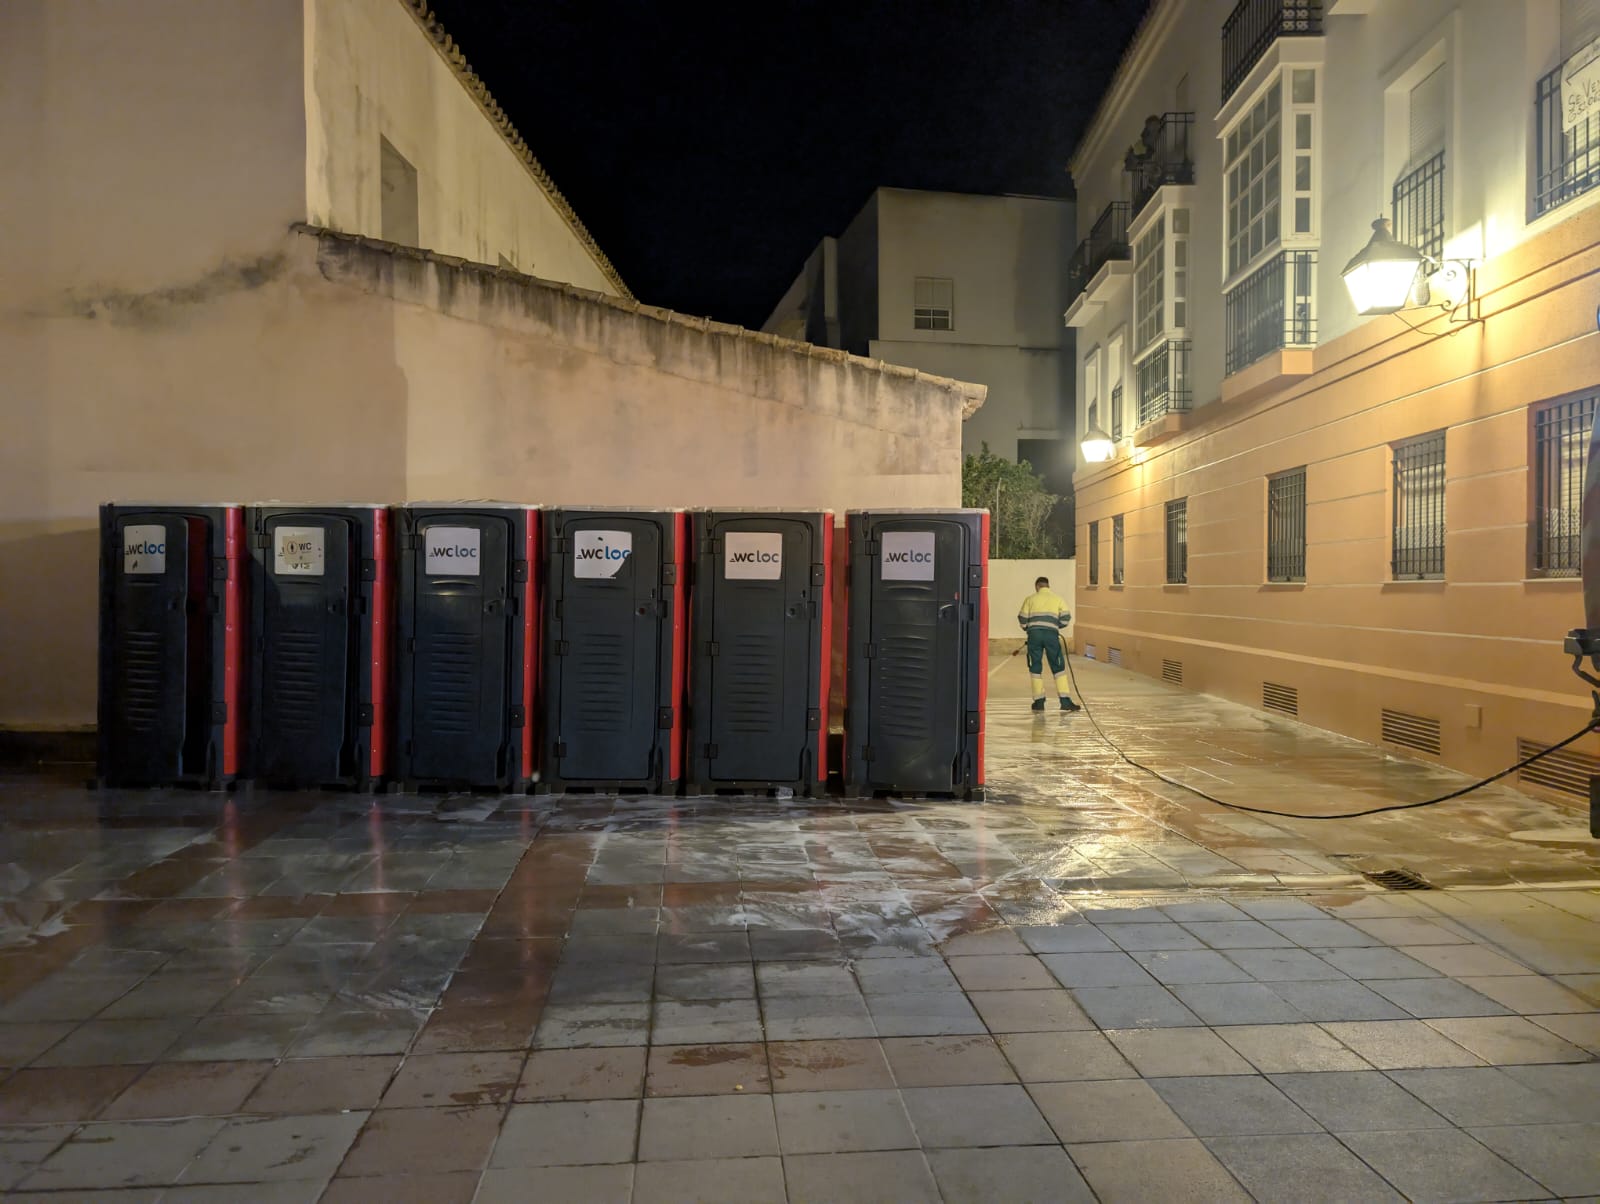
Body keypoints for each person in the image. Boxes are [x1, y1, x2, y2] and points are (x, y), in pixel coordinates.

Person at [1018, 576, 1080, 712]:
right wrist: (1054, 626)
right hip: (1051, 636)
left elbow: (1022, 618)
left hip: (1034, 636)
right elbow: (1066, 618)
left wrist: (1029, 628)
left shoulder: (1030, 599)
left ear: (1037, 587)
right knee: (1058, 667)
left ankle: (1039, 702)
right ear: (1048, 586)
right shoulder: (1057, 599)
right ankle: (1065, 701)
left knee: (1035, 668)